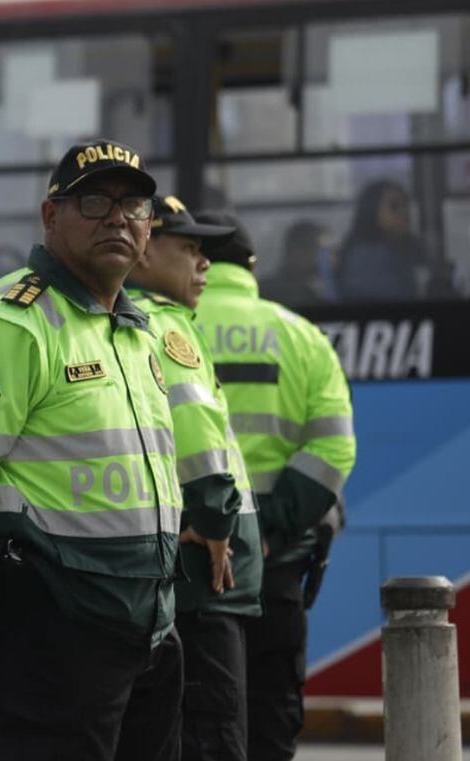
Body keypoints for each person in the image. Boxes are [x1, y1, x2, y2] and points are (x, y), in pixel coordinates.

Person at [0, 139, 183, 761]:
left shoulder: (137, 332)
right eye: (94, 201)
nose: (118, 218)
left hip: (149, 629)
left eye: (134, 206)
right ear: (50, 216)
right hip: (54, 635)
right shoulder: (14, 321)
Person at [193, 209, 357, 761]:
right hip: (278, 557)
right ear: (251, 266)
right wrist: (270, 528)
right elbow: (334, 448)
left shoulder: (161, 330)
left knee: (194, 718)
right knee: (269, 713)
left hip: (189, 560)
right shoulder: (304, 339)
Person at [127, 196, 264, 761]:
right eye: (188, 248)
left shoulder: (134, 322)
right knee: (214, 737)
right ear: (141, 253)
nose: (204, 263)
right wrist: (213, 522)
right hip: (204, 575)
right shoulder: (165, 327)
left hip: (175, 574)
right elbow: (201, 443)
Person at [333, 179, 455, 302]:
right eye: (394, 207)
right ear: (372, 211)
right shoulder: (363, 255)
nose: (404, 212)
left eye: (405, 204)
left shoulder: (408, 245)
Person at [259, 220, 338, 307]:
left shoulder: (318, 290)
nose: (330, 259)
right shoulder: (276, 292)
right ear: (297, 251)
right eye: (321, 251)